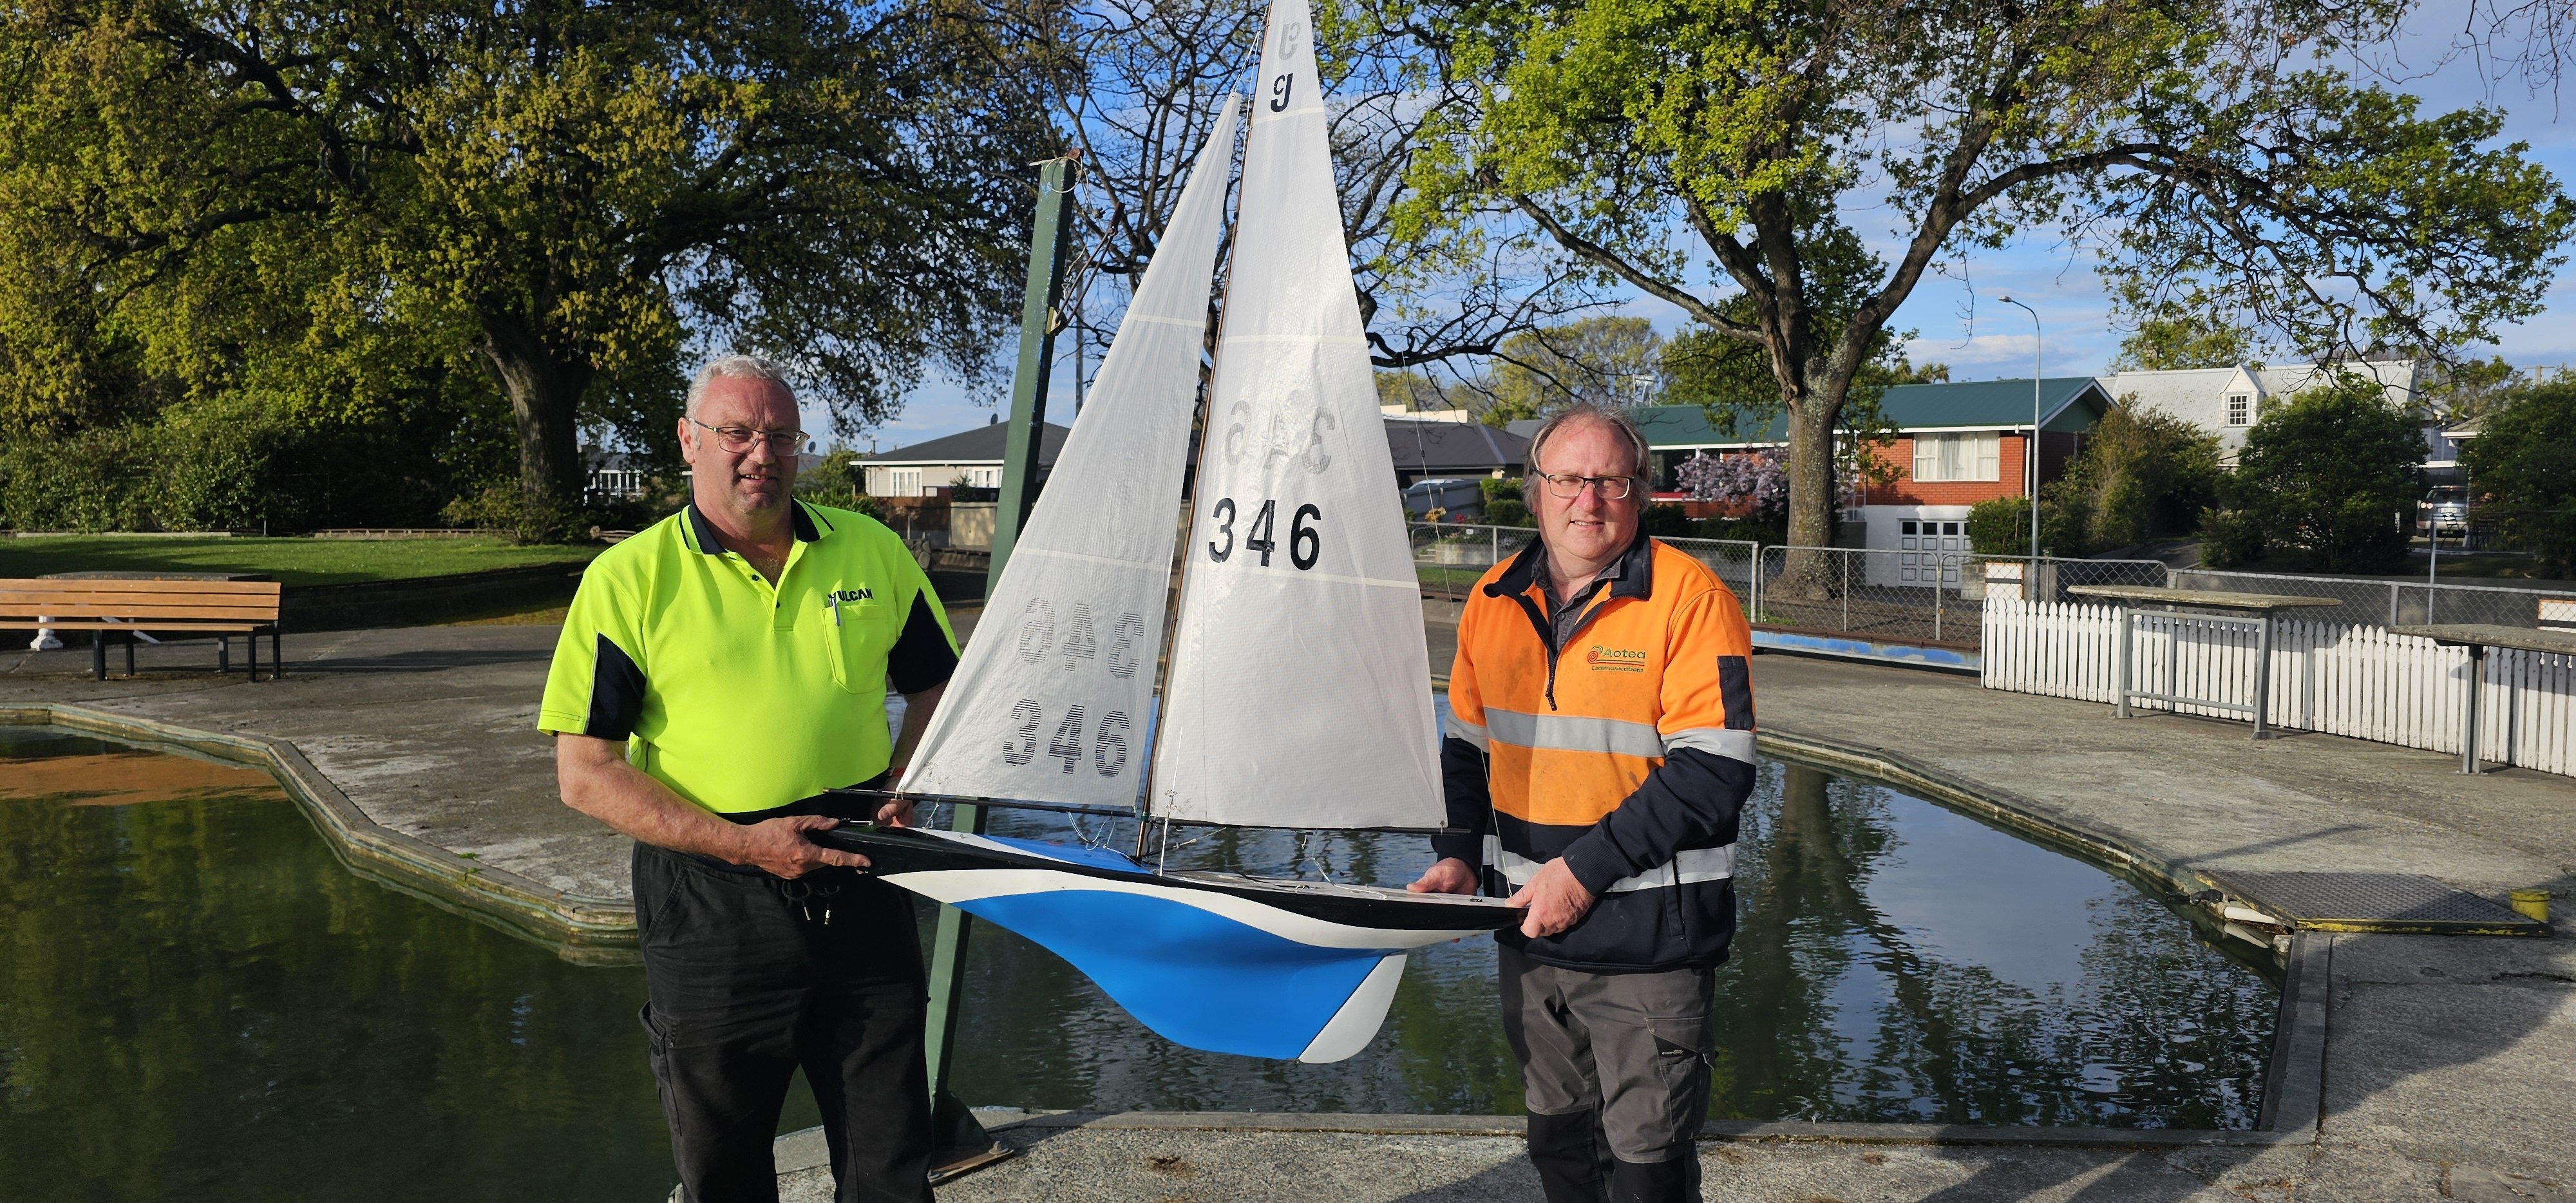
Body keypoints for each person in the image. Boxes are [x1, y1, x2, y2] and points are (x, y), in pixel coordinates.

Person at [538, 355, 958, 1202]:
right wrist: (741, 844)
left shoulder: (870, 551)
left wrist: (910, 776)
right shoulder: (628, 581)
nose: (759, 453)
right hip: (711, 899)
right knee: (722, 1169)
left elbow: (940, 686)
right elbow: (585, 775)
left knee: (893, 1157)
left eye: (779, 435)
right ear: (690, 441)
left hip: (860, 874)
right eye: (736, 432)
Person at [1408, 402, 1756, 1203]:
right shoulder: (1492, 598)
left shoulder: (1690, 598)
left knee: (1646, 1171)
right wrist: (1458, 851)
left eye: (1610, 481)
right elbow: (1466, 750)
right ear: (1537, 490)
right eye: (1569, 478)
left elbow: (1713, 771)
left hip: (1650, 944)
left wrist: (1580, 872)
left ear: (1636, 494)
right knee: (1559, 1147)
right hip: (1528, 934)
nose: (1587, 500)